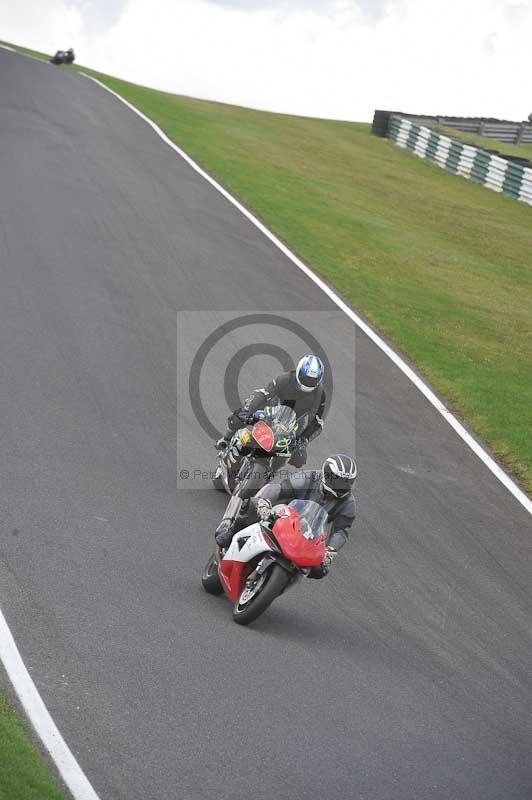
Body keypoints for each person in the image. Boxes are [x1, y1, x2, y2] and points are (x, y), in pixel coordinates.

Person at [215, 454, 357, 579]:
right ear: (327, 475)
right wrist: (265, 503)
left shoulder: (348, 503)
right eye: (339, 480)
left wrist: (331, 550)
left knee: (320, 570)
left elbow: (342, 530)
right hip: (283, 513)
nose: (343, 486)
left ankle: (284, 579)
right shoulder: (309, 477)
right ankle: (230, 532)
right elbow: (278, 489)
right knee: (252, 506)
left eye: (347, 482)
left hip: (309, 531)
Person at [216, 354, 326, 469]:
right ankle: (226, 439)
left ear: (319, 380)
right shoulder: (285, 379)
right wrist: (248, 410)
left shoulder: (320, 395)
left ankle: (271, 471)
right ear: (299, 372)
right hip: (270, 411)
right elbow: (264, 393)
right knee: (239, 417)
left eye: (312, 380)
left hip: (293, 424)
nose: (308, 382)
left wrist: (304, 439)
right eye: (306, 378)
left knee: (299, 459)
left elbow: (317, 421)